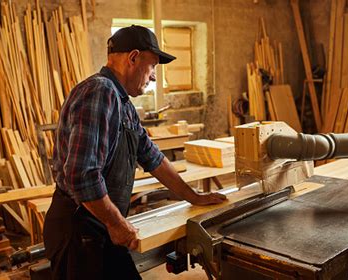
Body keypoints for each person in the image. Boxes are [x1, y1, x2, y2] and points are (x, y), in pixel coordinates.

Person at [43, 25, 227, 280]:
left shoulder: (123, 103)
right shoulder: (101, 92)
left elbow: (151, 156)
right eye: (152, 67)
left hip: (100, 225)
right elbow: (81, 175)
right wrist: (117, 223)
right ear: (133, 58)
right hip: (79, 231)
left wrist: (192, 196)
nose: (153, 77)